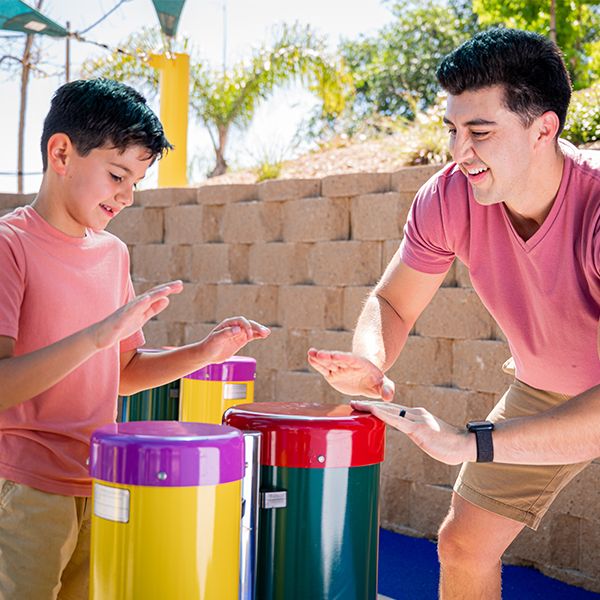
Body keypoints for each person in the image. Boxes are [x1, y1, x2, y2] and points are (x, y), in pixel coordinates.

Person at [308, 27, 600, 600]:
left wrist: (468, 442)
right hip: (548, 386)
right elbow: (392, 301)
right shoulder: (448, 197)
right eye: (452, 130)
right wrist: (370, 360)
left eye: (480, 132)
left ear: (544, 128)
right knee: (463, 545)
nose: (459, 151)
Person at [0, 78, 270, 600]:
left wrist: (203, 353)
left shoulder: (113, 254)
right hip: (24, 486)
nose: (126, 197)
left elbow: (122, 374)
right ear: (62, 153)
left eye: (136, 182)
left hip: (101, 480)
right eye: (117, 175)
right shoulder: (10, 245)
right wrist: (98, 336)